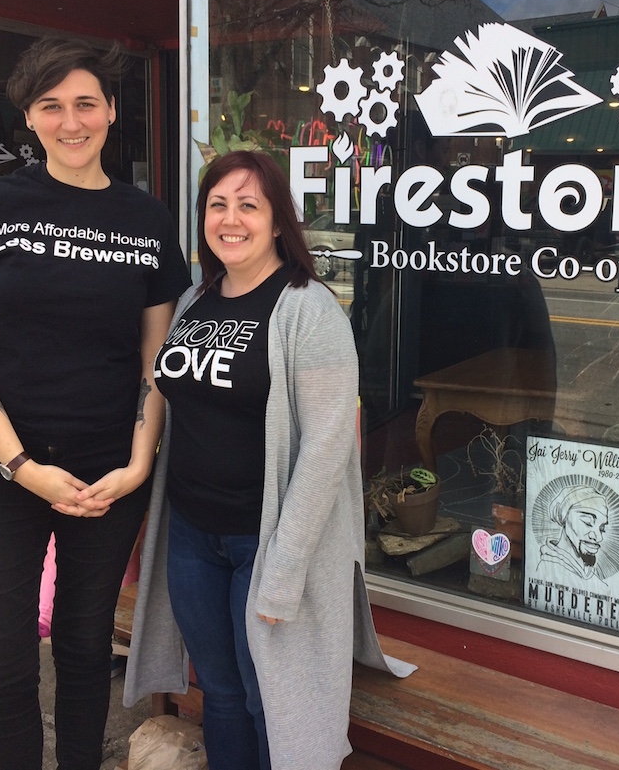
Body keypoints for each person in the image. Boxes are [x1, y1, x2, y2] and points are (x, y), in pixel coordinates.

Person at [0, 37, 190, 770]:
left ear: (110, 110)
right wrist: (20, 463)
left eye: (84, 103)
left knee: (82, 644)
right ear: (30, 118)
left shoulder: (146, 219)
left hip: (109, 470)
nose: (70, 122)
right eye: (51, 106)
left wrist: (140, 461)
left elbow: (155, 360)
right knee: (2, 659)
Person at [124, 150, 413, 770]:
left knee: (269, 698)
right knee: (220, 693)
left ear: (279, 222)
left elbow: (329, 446)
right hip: (193, 537)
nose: (231, 219)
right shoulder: (192, 303)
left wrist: (284, 568)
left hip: (266, 542)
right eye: (217, 204)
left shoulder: (309, 310)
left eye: (248, 205)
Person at [539, 482, 610, 582]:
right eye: (588, 522)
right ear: (565, 517)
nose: (598, 537)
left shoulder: (596, 582)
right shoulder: (546, 570)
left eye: (602, 528)